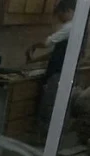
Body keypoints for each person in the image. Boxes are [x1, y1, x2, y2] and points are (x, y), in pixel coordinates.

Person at [25, 0, 76, 139]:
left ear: (68, 11)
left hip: (58, 75)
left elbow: (48, 42)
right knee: (59, 108)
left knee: (49, 107)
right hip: (64, 74)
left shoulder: (70, 27)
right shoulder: (77, 28)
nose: (58, 18)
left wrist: (33, 46)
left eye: (60, 14)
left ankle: (45, 141)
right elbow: (55, 52)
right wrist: (34, 60)